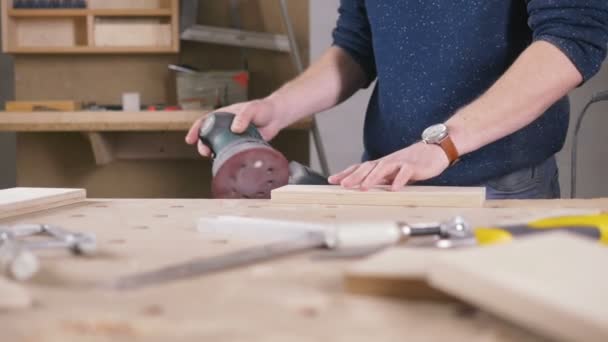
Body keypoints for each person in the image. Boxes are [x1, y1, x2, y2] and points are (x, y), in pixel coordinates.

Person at [186, 1, 608, 199]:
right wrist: (278, 107)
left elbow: (572, 42)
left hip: (502, 188)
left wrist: (446, 142)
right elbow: (356, 45)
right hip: (388, 185)